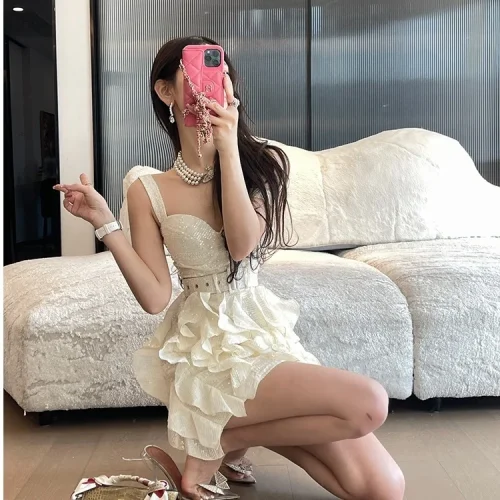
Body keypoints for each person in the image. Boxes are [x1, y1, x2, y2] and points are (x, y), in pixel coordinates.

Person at [55, 36, 405, 500]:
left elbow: (242, 246)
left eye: (220, 73)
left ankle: (221, 440)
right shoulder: (146, 188)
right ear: (165, 91)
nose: (212, 84)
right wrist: (106, 225)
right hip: (207, 353)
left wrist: (228, 148)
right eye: (198, 73)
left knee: (384, 488)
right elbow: (156, 298)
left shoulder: (260, 166)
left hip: (260, 334)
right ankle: (223, 436)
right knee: (369, 403)